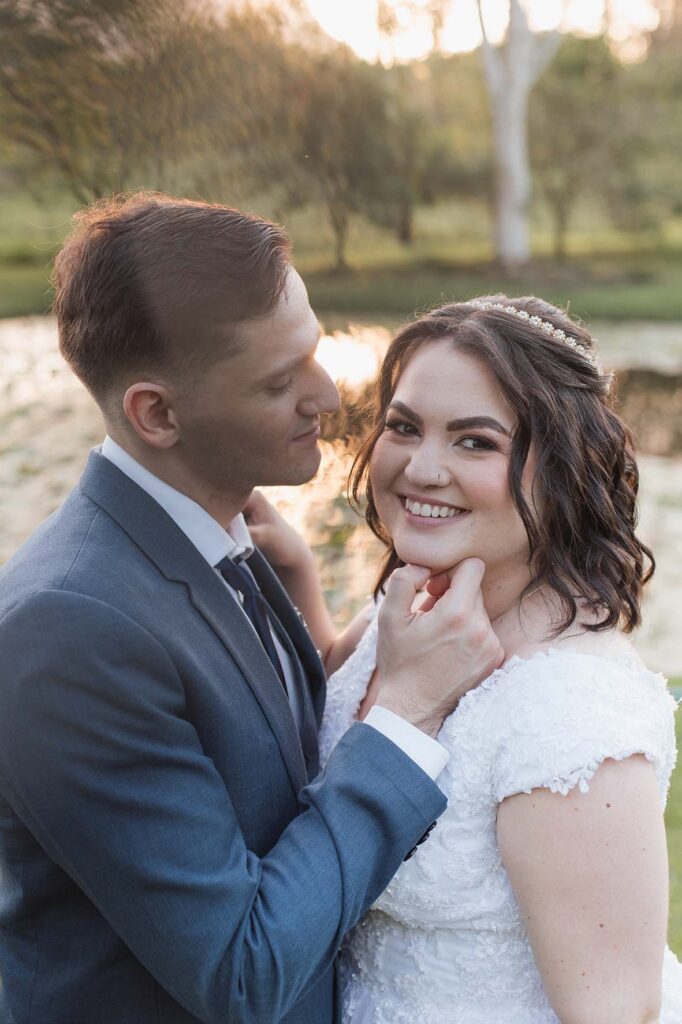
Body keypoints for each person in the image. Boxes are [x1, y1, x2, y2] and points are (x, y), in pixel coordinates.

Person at [0, 195, 505, 1024]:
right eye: (280, 381)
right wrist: (409, 712)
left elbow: (272, 766)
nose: (327, 394)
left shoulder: (222, 537)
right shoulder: (68, 631)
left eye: (314, 351)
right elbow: (244, 971)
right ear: (157, 413)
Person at [252, 296, 682, 1023]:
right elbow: (342, 710)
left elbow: (616, 1013)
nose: (421, 468)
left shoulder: (568, 716)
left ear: (564, 470)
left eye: (475, 442)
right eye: (404, 426)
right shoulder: (419, 612)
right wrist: (295, 571)